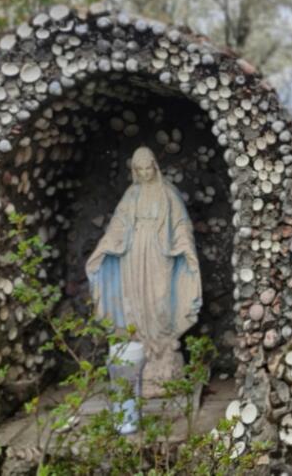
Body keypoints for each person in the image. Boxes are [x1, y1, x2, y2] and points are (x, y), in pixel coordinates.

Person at [86, 146, 202, 396]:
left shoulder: (167, 193)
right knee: (136, 301)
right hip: (134, 254)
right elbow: (119, 223)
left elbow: (181, 224)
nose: (145, 173)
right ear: (135, 171)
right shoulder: (132, 195)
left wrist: (185, 245)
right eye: (140, 170)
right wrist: (106, 244)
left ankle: (163, 349)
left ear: (155, 166)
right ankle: (140, 348)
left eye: (148, 168)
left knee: (161, 302)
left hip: (160, 253)